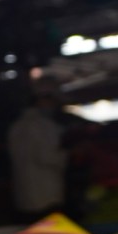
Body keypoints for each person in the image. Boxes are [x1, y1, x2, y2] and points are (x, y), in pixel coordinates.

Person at [7, 77, 69, 222]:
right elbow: (49, 157)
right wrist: (70, 154)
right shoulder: (44, 126)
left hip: (24, 197)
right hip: (46, 197)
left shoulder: (16, 127)